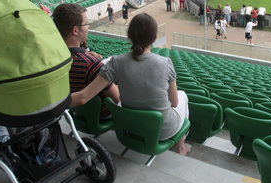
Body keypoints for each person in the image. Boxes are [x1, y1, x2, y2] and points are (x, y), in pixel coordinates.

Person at [70, 13, 191, 155]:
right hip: (162, 130)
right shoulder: (165, 63)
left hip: (128, 127)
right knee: (183, 96)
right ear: (154, 37)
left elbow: (85, 95)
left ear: (130, 36)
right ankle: (180, 147)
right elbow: (175, 103)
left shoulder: (115, 62)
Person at [52, 3, 119, 119]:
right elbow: (118, 98)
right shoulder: (91, 64)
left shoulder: (52, 58)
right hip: (100, 115)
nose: (88, 27)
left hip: (74, 116)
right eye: (86, 23)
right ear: (75, 30)